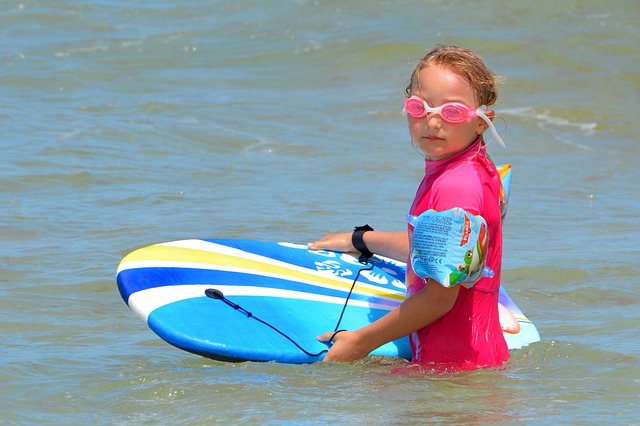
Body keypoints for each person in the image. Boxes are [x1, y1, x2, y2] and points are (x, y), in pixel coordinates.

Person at [308, 44, 510, 372]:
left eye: (452, 111)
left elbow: (439, 298)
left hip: (451, 374)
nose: (432, 121)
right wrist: (361, 240)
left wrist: (360, 342)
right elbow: (435, 252)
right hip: (474, 361)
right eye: (420, 107)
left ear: (482, 122)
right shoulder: (477, 170)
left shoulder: (456, 187)